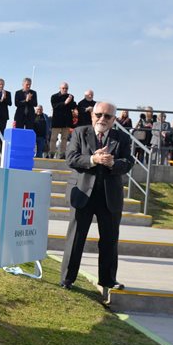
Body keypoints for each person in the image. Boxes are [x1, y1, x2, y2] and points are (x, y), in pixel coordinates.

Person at [59, 101, 134, 293]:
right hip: (83, 193)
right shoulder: (80, 132)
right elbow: (71, 158)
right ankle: (67, 278)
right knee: (76, 237)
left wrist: (112, 163)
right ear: (92, 115)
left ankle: (108, 280)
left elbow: (128, 162)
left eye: (107, 116)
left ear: (114, 119)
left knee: (109, 240)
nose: (102, 119)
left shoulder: (122, 138)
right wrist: (93, 159)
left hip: (109, 196)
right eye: (99, 114)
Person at [49, 82, 77, 159]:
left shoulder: (70, 96)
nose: (65, 90)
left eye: (66, 88)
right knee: (53, 138)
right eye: (63, 88)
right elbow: (55, 106)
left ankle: (62, 154)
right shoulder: (54, 96)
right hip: (57, 121)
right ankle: (52, 153)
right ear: (60, 88)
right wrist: (65, 102)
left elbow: (73, 106)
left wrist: (71, 101)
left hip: (66, 121)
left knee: (64, 139)